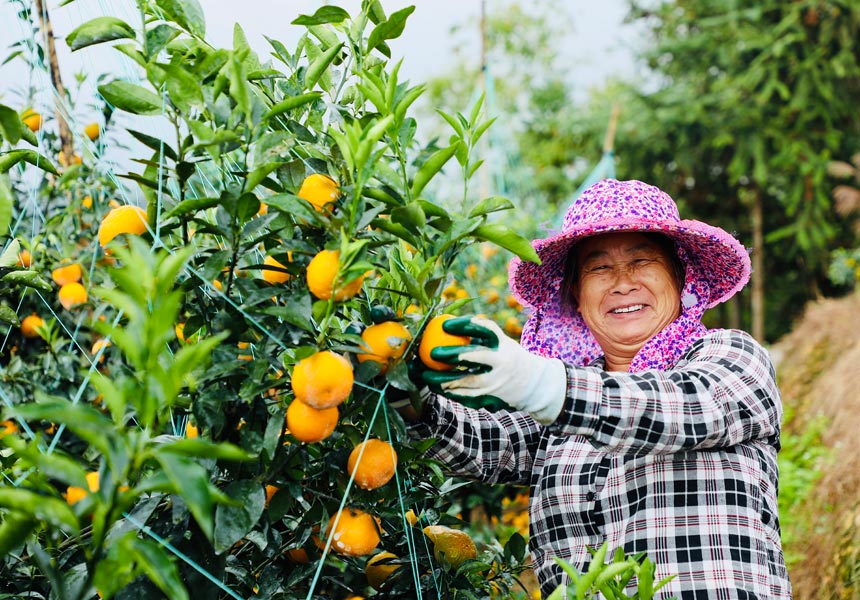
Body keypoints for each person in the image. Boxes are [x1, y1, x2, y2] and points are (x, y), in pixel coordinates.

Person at [402, 179, 791, 598]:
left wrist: (538, 383)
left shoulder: (730, 357)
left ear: (679, 277)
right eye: (598, 267)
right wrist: (408, 397)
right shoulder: (561, 408)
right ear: (577, 294)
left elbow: (685, 407)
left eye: (643, 261)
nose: (623, 282)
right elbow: (484, 442)